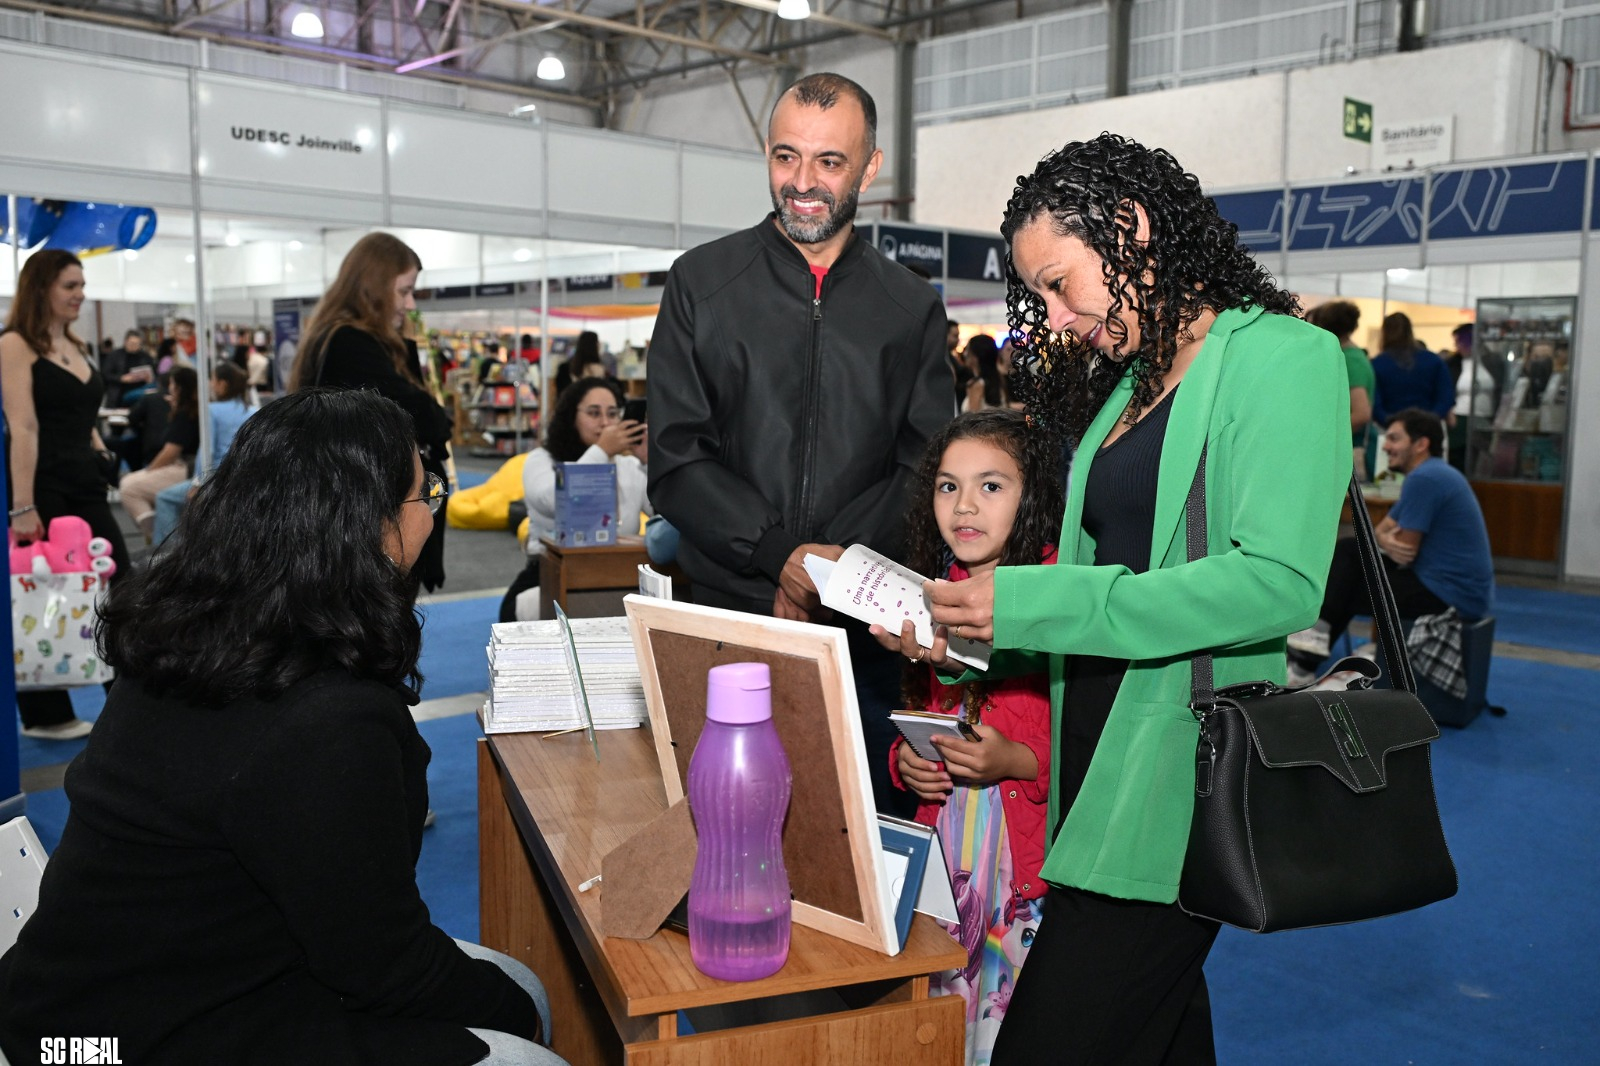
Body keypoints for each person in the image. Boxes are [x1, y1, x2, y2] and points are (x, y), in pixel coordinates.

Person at [877, 133, 1349, 1062]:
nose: (1055, 315)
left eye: (1060, 282)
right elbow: (1092, 571)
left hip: (1174, 774)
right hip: (1088, 768)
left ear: (1130, 230)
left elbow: (1280, 580)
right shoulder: (1130, 382)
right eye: (1040, 296)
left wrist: (1033, 606)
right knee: (1158, 1032)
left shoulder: (1283, 357)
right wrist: (978, 636)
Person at [0, 390, 559, 1066]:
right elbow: (381, 960)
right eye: (424, 493)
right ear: (367, 525)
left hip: (85, 1002)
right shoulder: (327, 715)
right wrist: (520, 1019)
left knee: (522, 988)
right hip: (136, 1037)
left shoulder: (191, 637)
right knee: (527, 1033)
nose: (433, 511)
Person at [648, 72, 951, 818]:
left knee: (862, 851)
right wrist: (779, 553)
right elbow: (677, 460)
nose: (803, 184)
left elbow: (927, 465)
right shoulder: (701, 283)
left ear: (871, 167)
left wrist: (827, 569)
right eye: (787, 158)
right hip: (725, 616)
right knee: (716, 844)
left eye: (830, 162)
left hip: (865, 637)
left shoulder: (909, 306)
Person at [886, 410, 1061, 1066]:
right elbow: (916, 709)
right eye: (947, 486)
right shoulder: (934, 595)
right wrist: (907, 762)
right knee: (942, 1016)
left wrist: (1013, 759)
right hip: (947, 844)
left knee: (1011, 1018)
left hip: (1023, 864)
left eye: (991, 487)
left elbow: (1088, 738)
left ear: (1034, 496)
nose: (964, 506)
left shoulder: (1058, 596)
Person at [2, 249, 131, 741]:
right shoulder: (14, 344)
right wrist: (23, 505)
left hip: (84, 481)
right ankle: (45, 711)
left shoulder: (75, 344)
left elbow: (83, 415)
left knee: (122, 588)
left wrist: (100, 451)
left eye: (81, 285)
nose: (80, 294)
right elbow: (25, 427)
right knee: (44, 594)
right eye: (70, 286)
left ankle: (125, 695)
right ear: (42, 289)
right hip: (44, 485)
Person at [291, 231, 454, 593]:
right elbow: (427, 417)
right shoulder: (351, 343)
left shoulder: (338, 338)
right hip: (371, 517)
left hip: (363, 511)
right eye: (403, 291)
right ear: (374, 287)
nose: (410, 304)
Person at [1288, 408, 1494, 682]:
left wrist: (1384, 538)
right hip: (1452, 589)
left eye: (1394, 439)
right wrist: (1385, 538)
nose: (1385, 446)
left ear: (1421, 444)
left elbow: (1405, 551)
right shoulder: (1432, 474)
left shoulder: (1426, 479)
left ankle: (1302, 663)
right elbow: (1382, 532)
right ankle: (1307, 657)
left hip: (1450, 597)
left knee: (1345, 573)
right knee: (1350, 555)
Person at [498, 379, 648, 622]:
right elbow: (556, 501)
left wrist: (648, 462)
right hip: (550, 574)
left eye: (612, 413)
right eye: (593, 413)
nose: (605, 423)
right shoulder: (541, 460)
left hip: (618, 575)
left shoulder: (629, 465)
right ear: (571, 416)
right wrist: (600, 451)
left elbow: (664, 509)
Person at [150, 362, 258, 547]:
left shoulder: (212, 410)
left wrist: (198, 483)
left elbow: (207, 450)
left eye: (213, 379)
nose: (210, 384)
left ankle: (166, 553)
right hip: (245, 477)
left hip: (216, 477)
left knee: (165, 498)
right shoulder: (254, 410)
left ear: (223, 384)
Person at [117, 366, 199, 540]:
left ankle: (157, 536)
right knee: (135, 484)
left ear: (178, 387)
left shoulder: (185, 413)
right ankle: (158, 535)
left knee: (129, 487)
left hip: (185, 467)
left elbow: (171, 451)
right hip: (187, 466)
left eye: (172, 384)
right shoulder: (192, 409)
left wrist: (149, 470)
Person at [1305, 300, 1374, 457]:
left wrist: (1323, 435)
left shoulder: (1350, 360)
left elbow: (1361, 413)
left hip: (1348, 447)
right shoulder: (1347, 355)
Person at [1371, 311, 1454, 429]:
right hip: (1429, 430)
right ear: (1410, 331)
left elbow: (1374, 403)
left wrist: (1391, 423)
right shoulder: (1433, 361)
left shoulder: (1377, 364)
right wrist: (1431, 420)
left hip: (1390, 429)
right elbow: (1446, 398)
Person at [101, 328, 156, 408]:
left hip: (140, 395)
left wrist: (150, 379)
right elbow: (105, 374)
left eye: (137, 344)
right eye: (131, 343)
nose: (134, 346)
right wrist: (121, 378)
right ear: (125, 342)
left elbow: (154, 374)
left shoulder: (146, 357)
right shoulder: (114, 356)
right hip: (118, 396)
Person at [553, 331, 605, 397]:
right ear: (594, 345)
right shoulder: (599, 368)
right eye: (597, 342)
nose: (599, 344)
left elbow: (560, 394)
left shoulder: (565, 368)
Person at [961, 333, 1003, 411]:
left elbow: (972, 417)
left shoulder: (976, 384)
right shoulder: (998, 379)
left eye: (967, 350)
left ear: (975, 357)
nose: (964, 353)